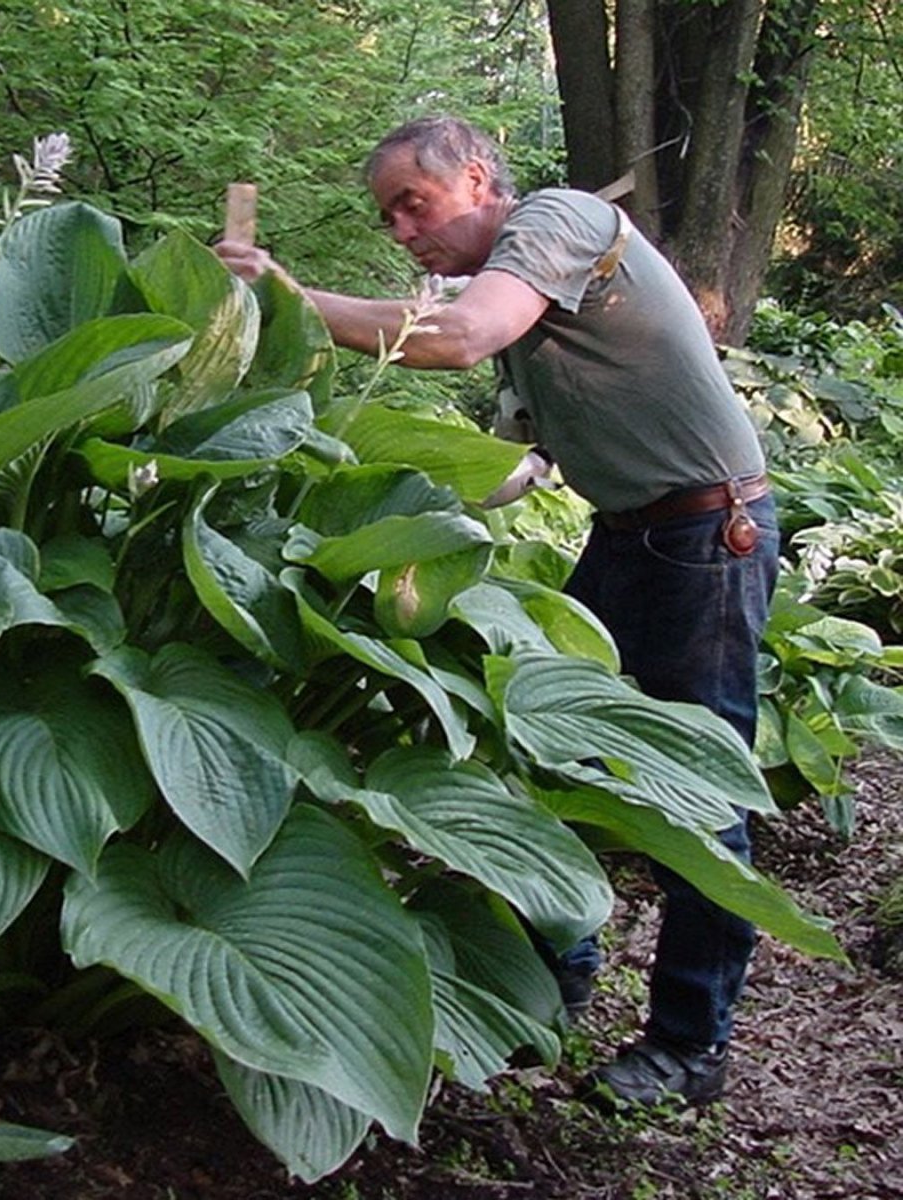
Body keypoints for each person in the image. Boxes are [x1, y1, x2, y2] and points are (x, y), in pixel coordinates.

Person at [214, 115, 779, 1109]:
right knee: (539, 751)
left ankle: (691, 1048)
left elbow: (462, 335)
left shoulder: (560, 222)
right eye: (388, 215)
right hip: (631, 537)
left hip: (708, 538)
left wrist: (292, 298)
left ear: (476, 179)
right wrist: (388, 500)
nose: (400, 232)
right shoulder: (539, 317)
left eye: (412, 205)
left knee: (698, 795)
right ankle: (543, 988)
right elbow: (514, 472)